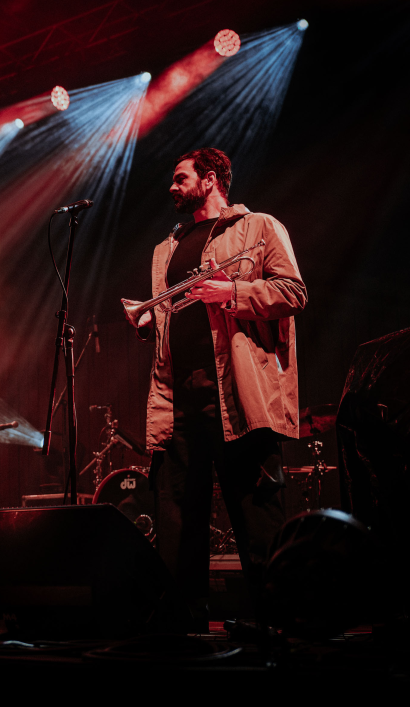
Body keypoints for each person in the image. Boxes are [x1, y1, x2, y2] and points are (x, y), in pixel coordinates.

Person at [122, 148, 307, 630]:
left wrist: (235, 294)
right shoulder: (167, 248)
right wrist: (148, 321)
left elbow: (294, 293)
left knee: (258, 521)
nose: (172, 186)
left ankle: (279, 629)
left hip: (239, 401)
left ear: (209, 179)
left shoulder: (258, 227)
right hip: (177, 406)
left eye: (180, 178)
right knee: (176, 528)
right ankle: (182, 632)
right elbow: (172, 321)